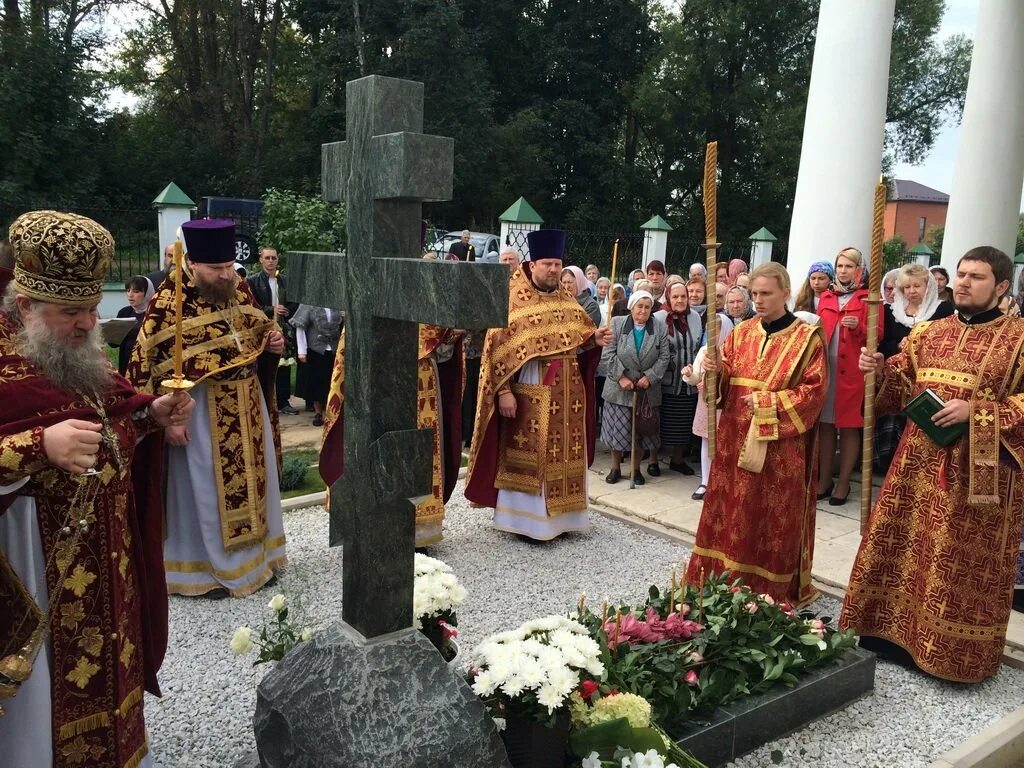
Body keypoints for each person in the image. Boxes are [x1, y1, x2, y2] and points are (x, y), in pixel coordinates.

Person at [0, 210, 194, 768]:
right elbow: (46, 436)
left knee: (112, 671)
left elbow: (113, 421)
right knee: (41, 709)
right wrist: (38, 446)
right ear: (24, 307)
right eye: (72, 312)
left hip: (108, 562)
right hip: (31, 570)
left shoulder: (74, 359)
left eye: (92, 308)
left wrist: (151, 415)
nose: (90, 325)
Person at [842, 246, 1024, 683]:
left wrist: (977, 412)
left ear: (1001, 286)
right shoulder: (929, 332)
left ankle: (950, 655)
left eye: (975, 277)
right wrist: (880, 368)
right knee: (905, 547)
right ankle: (889, 634)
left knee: (952, 561)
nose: (962, 282)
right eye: (960, 274)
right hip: (915, 465)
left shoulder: (1020, 339)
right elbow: (901, 381)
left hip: (979, 477)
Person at [128, 219, 287, 597]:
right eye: (216, 269)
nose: (226, 275)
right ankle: (203, 572)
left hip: (247, 403)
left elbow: (256, 328)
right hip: (196, 410)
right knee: (201, 492)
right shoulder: (168, 303)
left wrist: (272, 342)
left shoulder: (237, 287)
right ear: (193, 265)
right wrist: (163, 419)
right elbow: (145, 365)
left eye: (230, 267)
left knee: (255, 481)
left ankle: (258, 560)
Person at [686, 262, 827, 605]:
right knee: (732, 509)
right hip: (734, 437)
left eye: (766, 293)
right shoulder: (741, 331)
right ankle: (723, 578)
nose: (759, 300)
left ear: (785, 293)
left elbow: (813, 393)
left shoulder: (806, 339)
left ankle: (766, 589)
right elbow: (725, 382)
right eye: (754, 294)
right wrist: (715, 372)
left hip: (779, 448)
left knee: (769, 516)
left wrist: (766, 401)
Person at [466, 229, 611, 540]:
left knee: (565, 453)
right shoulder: (512, 301)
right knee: (531, 457)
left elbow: (578, 339)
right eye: (548, 264)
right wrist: (503, 392)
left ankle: (565, 519)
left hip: (569, 393)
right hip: (530, 388)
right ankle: (526, 522)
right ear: (532, 265)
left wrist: (594, 339)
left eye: (557, 264)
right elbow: (495, 352)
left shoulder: (567, 298)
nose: (554, 270)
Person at [874, 263, 954, 475]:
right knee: (894, 427)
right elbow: (884, 343)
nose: (912, 291)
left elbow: (948, 342)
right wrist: (899, 345)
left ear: (927, 286)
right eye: (907, 287)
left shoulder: (943, 309)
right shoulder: (890, 311)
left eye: (916, 286)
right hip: (897, 379)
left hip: (929, 378)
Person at [816, 247, 881, 505]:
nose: (843, 270)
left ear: (859, 269)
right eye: (840, 266)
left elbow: (879, 335)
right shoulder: (827, 296)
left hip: (853, 372)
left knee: (850, 427)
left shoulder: (869, 298)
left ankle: (843, 483)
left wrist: (859, 327)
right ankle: (824, 479)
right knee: (826, 426)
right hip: (826, 369)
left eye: (849, 266)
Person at [600, 291, 670, 484]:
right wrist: (620, 377)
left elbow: (665, 357)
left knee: (641, 433)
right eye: (640, 306)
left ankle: (635, 469)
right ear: (631, 306)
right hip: (619, 389)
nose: (643, 310)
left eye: (647, 307)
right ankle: (615, 468)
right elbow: (607, 354)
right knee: (618, 433)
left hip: (646, 390)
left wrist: (650, 376)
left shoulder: (659, 327)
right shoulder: (616, 324)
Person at [652, 282, 701, 475]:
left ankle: (677, 460)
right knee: (658, 422)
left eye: (683, 296)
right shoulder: (658, 318)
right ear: (668, 298)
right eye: (676, 297)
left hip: (688, 382)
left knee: (683, 421)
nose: (680, 300)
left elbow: (697, 346)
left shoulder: (695, 317)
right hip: (665, 381)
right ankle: (653, 460)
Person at [248, 246, 298, 416]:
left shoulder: (285, 281)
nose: (270, 261)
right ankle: (266, 397)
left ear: (278, 260)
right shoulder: (253, 281)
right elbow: (252, 305)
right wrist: (271, 309)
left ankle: (283, 400)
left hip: (283, 327)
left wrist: (286, 310)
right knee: (267, 363)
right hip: (264, 328)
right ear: (260, 259)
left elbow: (294, 301)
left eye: (273, 258)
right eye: (267, 258)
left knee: (284, 364)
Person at [290, 305, 343, 426]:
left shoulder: (335, 304)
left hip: (333, 349)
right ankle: (318, 413)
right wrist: (302, 351)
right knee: (315, 383)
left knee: (331, 381)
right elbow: (300, 328)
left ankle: (332, 412)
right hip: (315, 349)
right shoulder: (308, 304)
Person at [111, 275, 155, 376]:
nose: (130, 295)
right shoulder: (124, 312)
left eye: (136, 291)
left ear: (147, 293)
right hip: (126, 364)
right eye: (128, 290)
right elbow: (114, 344)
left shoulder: (153, 314)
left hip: (147, 365)